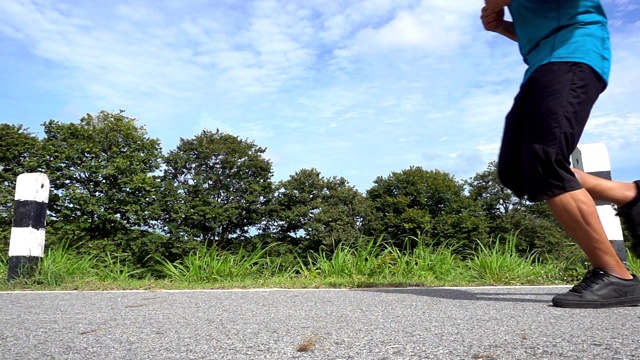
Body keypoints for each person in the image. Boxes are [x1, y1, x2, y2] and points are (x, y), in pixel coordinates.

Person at [480, 0, 640, 308]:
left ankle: (617, 276)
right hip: (540, 65)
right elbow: (540, 26)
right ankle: (629, 194)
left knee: (545, 160)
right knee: (516, 171)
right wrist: (502, 26)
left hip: (574, 52)